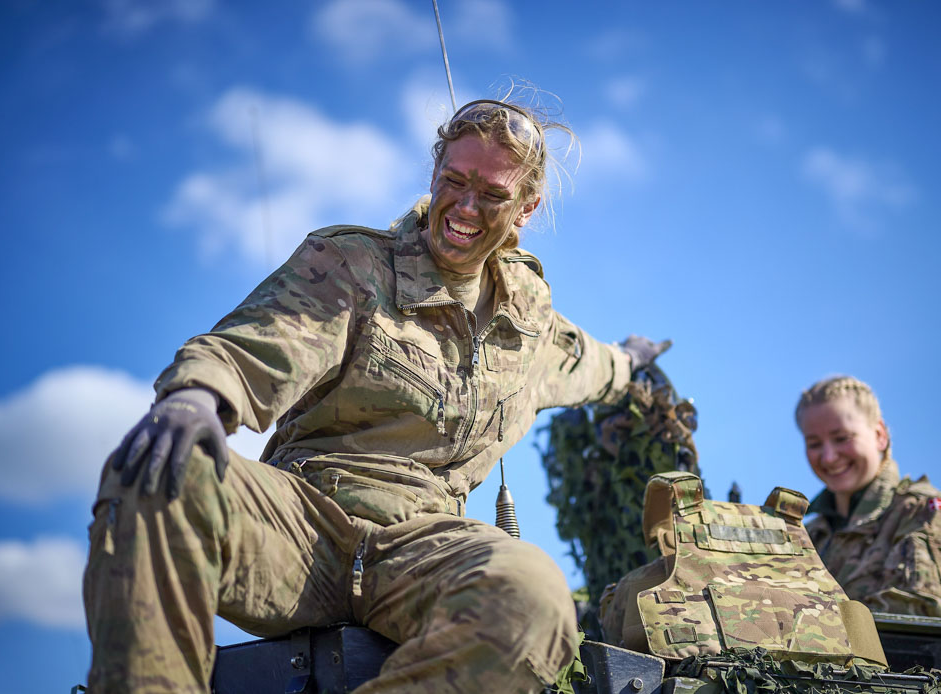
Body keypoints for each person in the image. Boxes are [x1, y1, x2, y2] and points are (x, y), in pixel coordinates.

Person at [82, 98, 669, 694]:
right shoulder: (354, 267)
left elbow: (593, 364)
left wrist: (631, 359)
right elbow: (262, 343)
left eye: (492, 194)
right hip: (304, 526)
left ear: (525, 208)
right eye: (454, 181)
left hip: (422, 549)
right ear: (434, 172)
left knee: (533, 596)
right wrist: (198, 394)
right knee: (159, 474)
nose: (466, 207)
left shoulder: (531, 323)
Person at [796, 375, 941, 618]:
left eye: (842, 438)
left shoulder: (919, 510)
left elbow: (918, 614)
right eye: (814, 444)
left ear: (880, 435)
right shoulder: (806, 536)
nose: (829, 457)